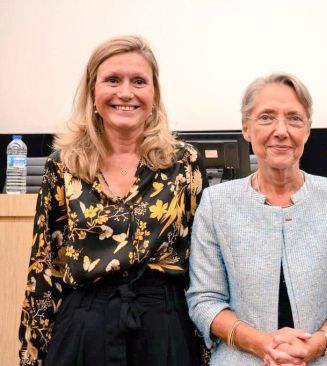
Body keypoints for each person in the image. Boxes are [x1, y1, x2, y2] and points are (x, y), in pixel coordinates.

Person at [18, 35, 208, 366]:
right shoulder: (63, 165)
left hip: (164, 328)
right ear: (93, 93)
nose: (125, 92)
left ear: (153, 95)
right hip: (84, 328)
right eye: (112, 80)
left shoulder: (184, 163)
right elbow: (45, 267)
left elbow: (201, 264)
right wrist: (32, 355)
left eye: (138, 81)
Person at [185, 72, 327, 365]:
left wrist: (316, 344)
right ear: (246, 128)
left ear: (308, 130)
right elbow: (205, 300)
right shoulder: (216, 204)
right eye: (266, 117)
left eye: (294, 118)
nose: (281, 130)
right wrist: (262, 345)